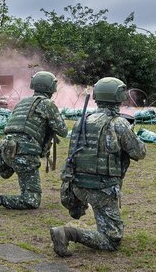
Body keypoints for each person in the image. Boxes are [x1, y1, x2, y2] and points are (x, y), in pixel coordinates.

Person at [50, 77, 147, 255]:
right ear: (119, 96)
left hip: (76, 185)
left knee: (102, 213)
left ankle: (81, 225)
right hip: (101, 188)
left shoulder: (83, 120)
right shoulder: (118, 123)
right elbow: (139, 153)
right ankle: (67, 233)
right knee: (112, 239)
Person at [0, 71, 68, 210]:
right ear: (51, 87)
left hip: (5, 150)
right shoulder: (47, 104)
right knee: (31, 201)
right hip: (24, 152)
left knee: (21, 177)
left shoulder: (22, 102)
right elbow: (63, 131)